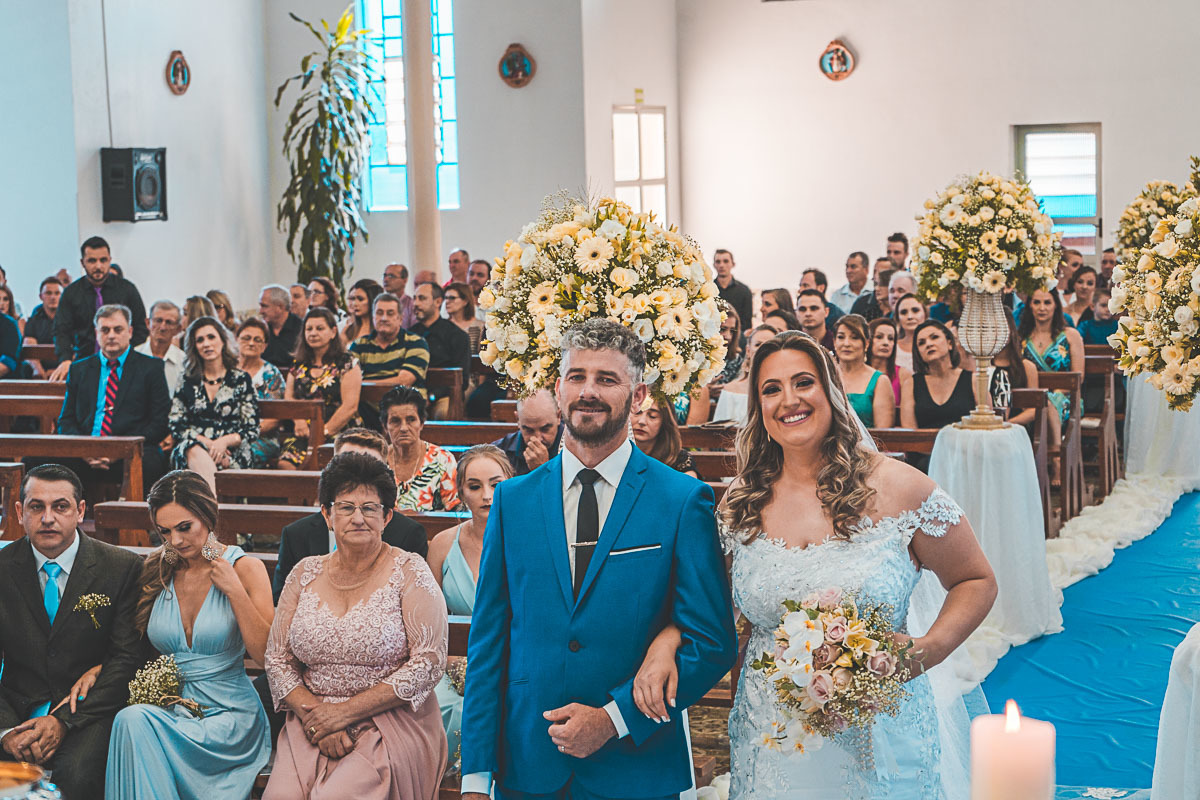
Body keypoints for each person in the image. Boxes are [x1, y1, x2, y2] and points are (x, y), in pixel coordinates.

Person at [637, 330, 994, 799]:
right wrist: (665, 644)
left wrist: (928, 648)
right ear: (759, 408)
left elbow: (975, 579)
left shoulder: (902, 490)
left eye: (803, 382)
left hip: (882, 735)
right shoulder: (739, 507)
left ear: (831, 391)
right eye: (771, 389)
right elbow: (704, 607)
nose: (789, 400)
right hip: (775, 741)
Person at [460, 317, 737, 800]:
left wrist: (614, 719)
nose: (588, 391)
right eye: (577, 376)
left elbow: (711, 642)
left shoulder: (681, 499)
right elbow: (489, 643)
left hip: (635, 768)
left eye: (607, 379)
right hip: (528, 767)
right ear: (557, 387)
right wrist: (476, 777)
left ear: (639, 395)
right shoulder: (513, 500)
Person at [264, 453, 449, 800]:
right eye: (346, 507)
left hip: (390, 721)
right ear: (327, 514)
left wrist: (344, 713)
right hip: (311, 723)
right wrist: (317, 717)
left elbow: (429, 662)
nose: (358, 518)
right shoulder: (304, 573)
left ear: (387, 516)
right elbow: (277, 660)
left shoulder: (410, 571)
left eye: (370, 507)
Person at [104, 470, 274, 799]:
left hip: (229, 718)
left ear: (208, 516)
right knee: (131, 721)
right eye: (165, 532)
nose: (177, 541)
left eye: (185, 528)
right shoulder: (156, 571)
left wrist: (235, 592)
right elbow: (131, 645)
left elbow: (266, 655)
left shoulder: (245, 568)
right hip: (172, 711)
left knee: (135, 723)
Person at [0, 464, 144, 799]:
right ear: (20, 512)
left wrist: (62, 721)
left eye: (60, 506)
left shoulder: (120, 568)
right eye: (37, 507)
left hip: (87, 715)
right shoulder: (3, 568)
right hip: (15, 708)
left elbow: (127, 658)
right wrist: (6, 730)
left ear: (80, 511)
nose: (48, 518)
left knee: (76, 775)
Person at [427, 445, 513, 769]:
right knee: (436, 705)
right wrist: (452, 661)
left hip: (510, 662)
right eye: (475, 486)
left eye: (496, 484)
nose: (486, 495)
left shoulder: (526, 541)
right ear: (461, 491)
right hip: (451, 665)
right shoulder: (442, 544)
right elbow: (427, 622)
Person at [272, 428, 429, 602]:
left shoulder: (409, 534)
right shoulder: (296, 535)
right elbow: (281, 602)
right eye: (347, 466)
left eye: (370, 468)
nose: (358, 477)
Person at [56, 304, 170, 487]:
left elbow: (159, 423)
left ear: (130, 331)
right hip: (84, 450)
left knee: (152, 462)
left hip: (130, 450)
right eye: (105, 330)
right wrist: (83, 449)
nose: (111, 335)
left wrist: (119, 451)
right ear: (96, 333)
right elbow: (66, 420)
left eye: (118, 330)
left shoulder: (151, 368)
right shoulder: (79, 369)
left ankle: (138, 515)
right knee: (35, 461)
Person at [168, 317, 261, 489]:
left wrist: (224, 442)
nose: (206, 344)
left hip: (232, 449)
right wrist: (209, 444)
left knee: (218, 459)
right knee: (191, 449)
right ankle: (214, 507)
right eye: (200, 340)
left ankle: (209, 508)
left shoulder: (240, 379)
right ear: (194, 346)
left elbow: (252, 428)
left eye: (211, 337)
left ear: (223, 341)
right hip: (193, 447)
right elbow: (176, 424)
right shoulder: (187, 379)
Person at [51, 237, 149, 380]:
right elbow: (61, 330)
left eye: (103, 260)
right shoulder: (71, 293)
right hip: (84, 361)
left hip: (123, 364)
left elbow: (140, 327)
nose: (98, 266)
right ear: (82, 263)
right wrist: (65, 359)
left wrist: (127, 354)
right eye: (92, 261)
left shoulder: (127, 290)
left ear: (110, 260)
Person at [279, 308, 363, 469]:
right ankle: (302, 495)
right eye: (309, 329)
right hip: (304, 431)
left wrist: (322, 432)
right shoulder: (298, 364)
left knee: (331, 465)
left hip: (341, 430)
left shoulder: (347, 362)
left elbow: (350, 406)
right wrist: (299, 421)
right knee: (285, 463)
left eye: (319, 328)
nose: (313, 333)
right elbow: (289, 398)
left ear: (332, 332)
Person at [902, 321, 975, 472]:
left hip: (967, 455)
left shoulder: (973, 380)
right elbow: (910, 434)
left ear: (949, 343)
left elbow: (985, 427)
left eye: (934, 337)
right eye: (921, 343)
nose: (928, 344)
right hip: (926, 458)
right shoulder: (911, 384)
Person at [380, 385, 460, 512]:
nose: (404, 428)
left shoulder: (442, 460)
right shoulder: (378, 460)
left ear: (422, 423)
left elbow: (455, 513)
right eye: (395, 421)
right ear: (385, 426)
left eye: (411, 420)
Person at [1019, 287, 1083, 428]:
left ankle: (1055, 446)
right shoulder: (1022, 337)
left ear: (1055, 305)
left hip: (1064, 398)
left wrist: (1052, 395)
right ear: (1030, 305)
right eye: (1036, 302)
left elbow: (1079, 376)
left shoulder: (1071, 335)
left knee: (1047, 404)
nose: (1042, 308)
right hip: (1030, 398)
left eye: (1047, 303)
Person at [409, 281, 471, 416]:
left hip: (443, 396)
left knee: (442, 412)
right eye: (414, 298)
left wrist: (432, 396)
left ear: (438, 302)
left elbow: (462, 381)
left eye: (422, 298)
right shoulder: (409, 335)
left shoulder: (457, 335)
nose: (416, 304)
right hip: (413, 394)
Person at [236, 317, 286, 468]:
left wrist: (243, 434)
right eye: (246, 338)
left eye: (257, 340)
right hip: (225, 434)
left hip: (261, 437)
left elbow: (275, 418)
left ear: (264, 346)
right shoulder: (226, 370)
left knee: (238, 454)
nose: (251, 343)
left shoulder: (271, 374)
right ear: (236, 340)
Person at [833, 314, 894, 428]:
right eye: (841, 337)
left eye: (854, 337)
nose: (846, 343)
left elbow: (884, 434)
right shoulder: (825, 376)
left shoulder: (880, 381)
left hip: (867, 444)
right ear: (834, 342)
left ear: (866, 343)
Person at [713, 325, 776, 425]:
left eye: (769, 345)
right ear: (748, 350)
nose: (763, 349)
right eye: (758, 344)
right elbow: (718, 434)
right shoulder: (730, 390)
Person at [492, 389, 564, 476]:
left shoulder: (575, 450)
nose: (537, 439)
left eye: (545, 429)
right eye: (529, 430)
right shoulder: (500, 453)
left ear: (558, 416)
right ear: (518, 420)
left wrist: (541, 470)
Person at [987, 317, 1039, 427]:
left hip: (1016, 426)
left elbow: (1033, 409)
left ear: (1011, 332)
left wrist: (1007, 423)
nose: (997, 334)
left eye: (1002, 329)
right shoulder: (983, 365)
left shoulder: (1026, 367)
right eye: (992, 329)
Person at [631, 396, 699, 478]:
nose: (642, 421)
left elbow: (690, 487)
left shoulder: (678, 460)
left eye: (653, 416)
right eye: (638, 412)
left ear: (664, 422)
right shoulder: (614, 451)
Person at [134, 300, 185, 395]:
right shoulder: (132, 356)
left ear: (178, 329)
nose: (162, 327)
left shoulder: (184, 362)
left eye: (169, 322)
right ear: (147, 323)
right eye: (158, 320)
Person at [868, 316, 909, 406]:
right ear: (868, 340)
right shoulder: (857, 372)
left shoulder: (903, 374)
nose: (886, 343)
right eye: (879, 337)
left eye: (891, 339)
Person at [260, 285, 303, 369]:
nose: (260, 311)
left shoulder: (301, 329)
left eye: (264, 306)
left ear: (280, 307)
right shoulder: (261, 329)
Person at [713, 248, 752, 330]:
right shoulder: (707, 289)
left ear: (733, 264)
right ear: (714, 265)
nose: (721, 265)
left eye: (726, 261)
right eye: (718, 262)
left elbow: (747, 323)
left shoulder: (744, 291)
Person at [340, 278, 383, 346]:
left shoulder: (382, 330)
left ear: (372, 300)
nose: (355, 304)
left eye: (360, 299)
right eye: (352, 299)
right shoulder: (345, 329)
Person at [444, 281, 485, 352]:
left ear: (465, 301)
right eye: (446, 298)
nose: (447, 301)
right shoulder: (442, 326)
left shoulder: (480, 326)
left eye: (452, 298)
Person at [892, 293, 927, 372]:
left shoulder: (937, 344)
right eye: (903, 312)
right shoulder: (892, 347)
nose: (910, 316)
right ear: (898, 318)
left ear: (925, 313)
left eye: (915, 310)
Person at [382, 263, 416, 329]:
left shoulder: (411, 305)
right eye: (384, 276)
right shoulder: (379, 303)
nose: (386, 280)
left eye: (391, 276)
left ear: (404, 280)